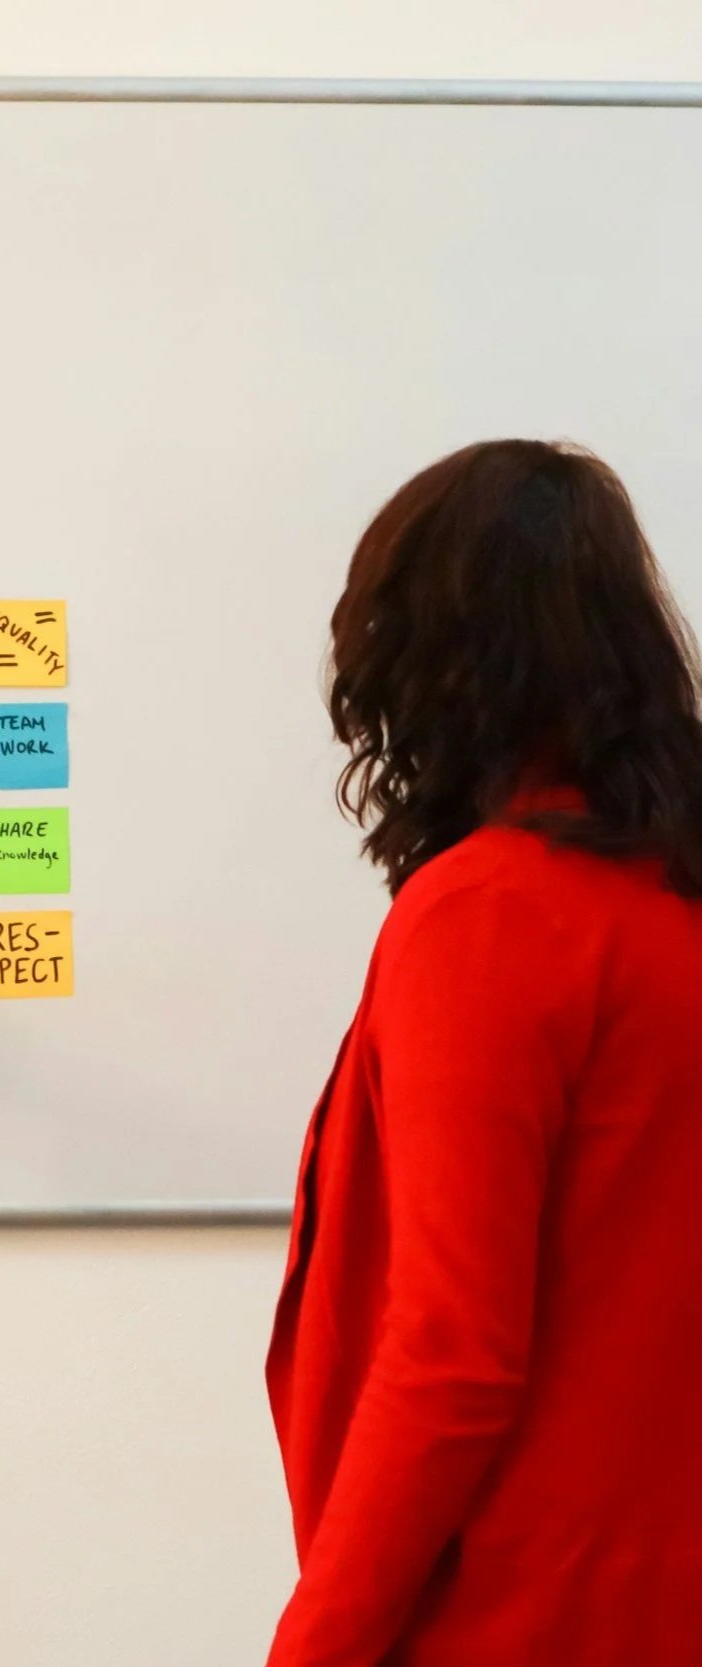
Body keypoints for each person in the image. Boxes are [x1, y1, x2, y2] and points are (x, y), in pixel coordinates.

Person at [267, 440, 702, 1665]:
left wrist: (311, 1649)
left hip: (523, 1617)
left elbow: (450, 1359)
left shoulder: (491, 915)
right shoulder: (671, 896)